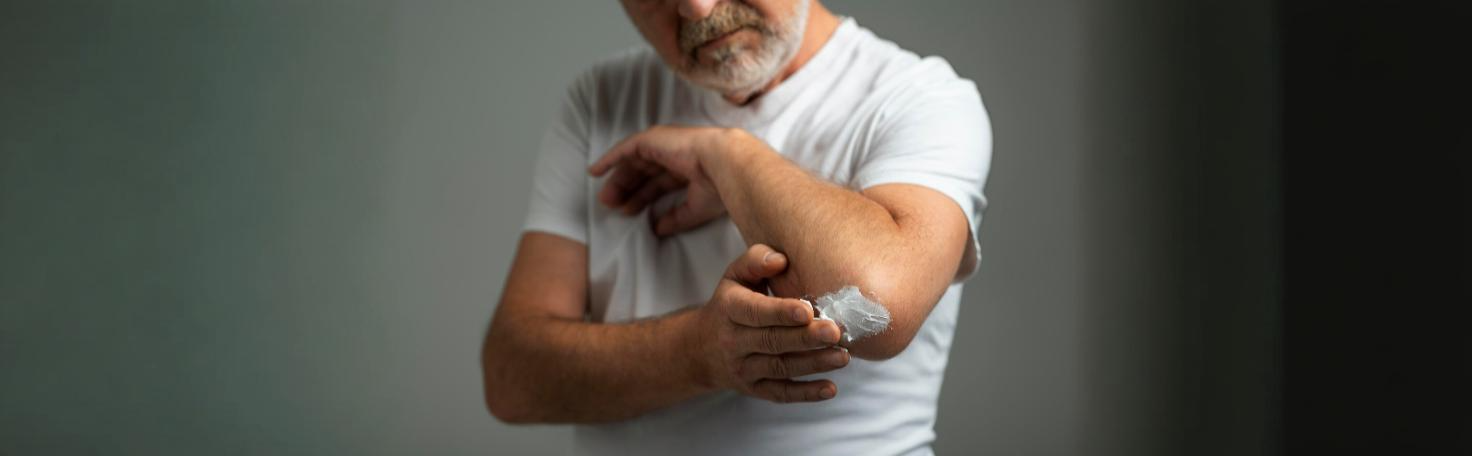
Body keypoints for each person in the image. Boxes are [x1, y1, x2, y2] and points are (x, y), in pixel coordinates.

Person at [480, 1, 991, 454]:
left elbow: (877, 307)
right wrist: (699, 353)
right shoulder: (602, 99)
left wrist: (729, 154)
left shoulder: (921, 98)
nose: (697, 10)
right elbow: (511, 379)